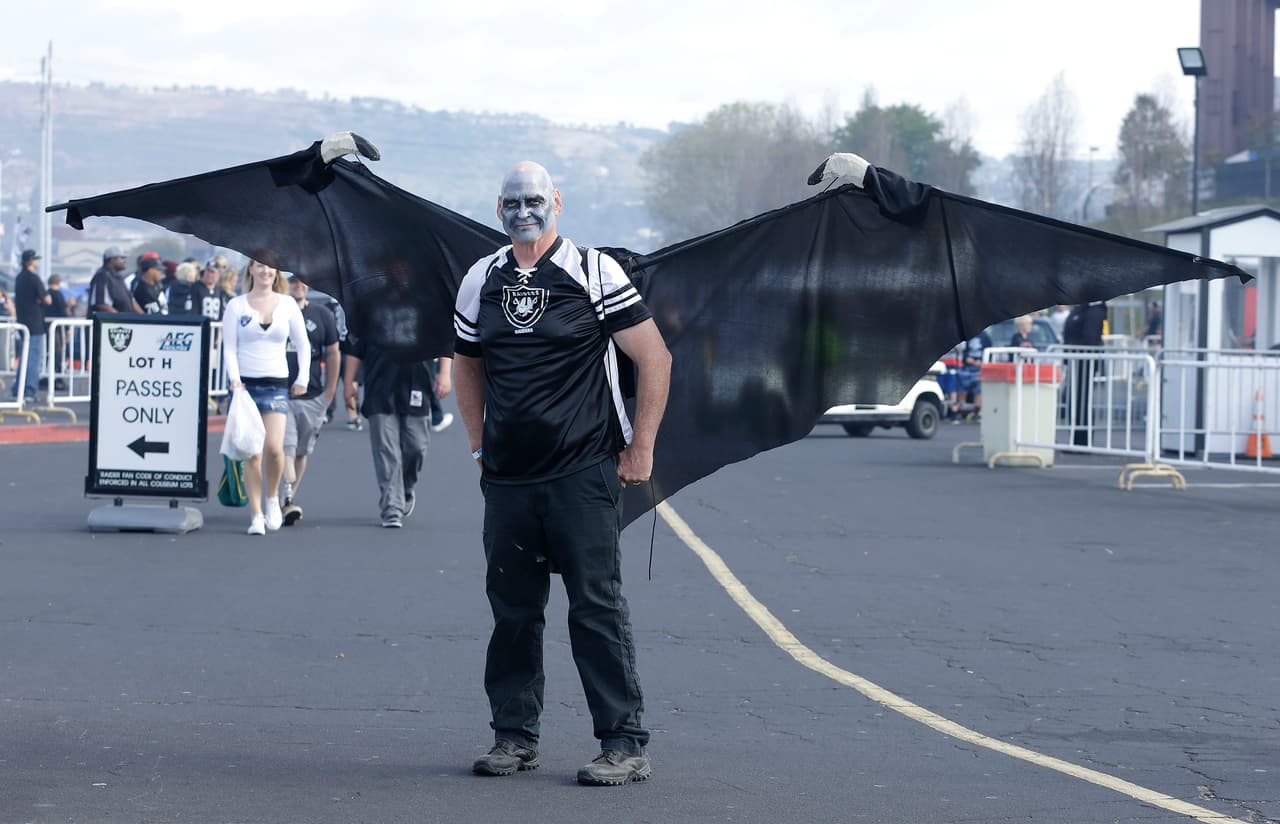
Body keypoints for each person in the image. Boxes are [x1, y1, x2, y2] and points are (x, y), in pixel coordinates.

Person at [454, 161, 671, 786]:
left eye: (535, 200)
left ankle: (625, 743)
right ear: (499, 210)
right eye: (513, 202)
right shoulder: (481, 279)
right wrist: (477, 445)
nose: (525, 212)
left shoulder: (596, 272)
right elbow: (466, 363)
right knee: (513, 611)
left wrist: (643, 447)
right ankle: (514, 739)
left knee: (596, 606)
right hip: (509, 480)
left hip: (583, 473)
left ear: (557, 202)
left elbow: (654, 357)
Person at [220, 257, 310, 536]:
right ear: (251, 269)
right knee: (252, 453)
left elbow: (303, 343)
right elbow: (230, 348)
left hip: (277, 384)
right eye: (259, 265)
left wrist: (302, 377)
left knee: (274, 448)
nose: (265, 271)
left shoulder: (287, 304)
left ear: (276, 272)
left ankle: (272, 498)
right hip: (246, 386)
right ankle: (256, 513)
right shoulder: (236, 306)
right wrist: (234, 379)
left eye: (270, 266)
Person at [279, 272, 340, 525]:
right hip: (279, 392)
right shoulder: (277, 311)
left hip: (312, 395)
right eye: (293, 281)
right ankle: (284, 498)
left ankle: (287, 497)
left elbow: (334, 353)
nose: (299, 285)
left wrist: (329, 393)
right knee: (287, 446)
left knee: (302, 451)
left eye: (303, 281)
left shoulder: (322, 314)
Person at [12, 250, 51, 401]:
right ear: (30, 261)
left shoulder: (19, 278)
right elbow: (47, 299)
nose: (37, 262)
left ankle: (18, 388)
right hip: (35, 324)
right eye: (35, 259)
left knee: (24, 358)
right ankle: (29, 390)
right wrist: (42, 299)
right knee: (34, 358)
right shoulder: (35, 279)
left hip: (23, 322)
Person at [88, 246, 141, 315]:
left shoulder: (118, 278)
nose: (124, 261)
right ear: (112, 260)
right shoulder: (102, 276)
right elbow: (101, 304)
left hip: (123, 322)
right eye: (121, 258)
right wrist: (120, 318)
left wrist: (144, 317)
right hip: (109, 323)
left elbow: (131, 301)